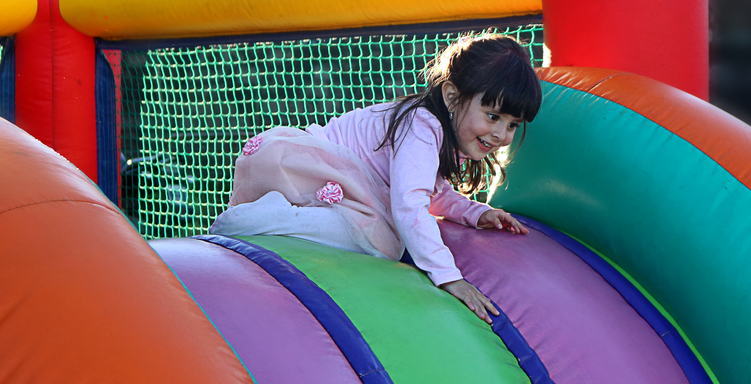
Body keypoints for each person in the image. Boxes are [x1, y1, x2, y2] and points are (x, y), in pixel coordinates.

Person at [209, 33, 542, 322]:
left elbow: (430, 191)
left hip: (320, 175)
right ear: (452, 97)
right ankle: (256, 222)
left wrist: (476, 213)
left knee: (383, 234)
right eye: (493, 116)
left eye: (512, 124)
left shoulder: (441, 133)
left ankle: (274, 217)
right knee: (385, 242)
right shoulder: (422, 126)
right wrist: (448, 276)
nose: (501, 134)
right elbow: (411, 204)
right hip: (306, 167)